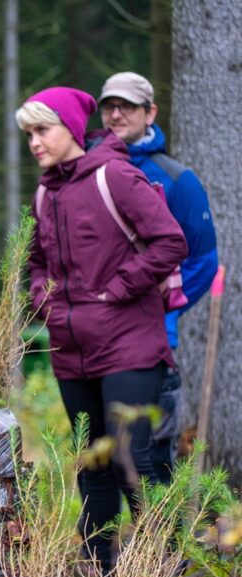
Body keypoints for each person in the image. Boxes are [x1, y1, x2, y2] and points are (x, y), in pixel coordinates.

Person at [16, 87, 187, 577]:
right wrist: (43, 296)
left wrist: (118, 288)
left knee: (133, 458)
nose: (34, 142)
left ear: (71, 128)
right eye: (28, 133)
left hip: (130, 344)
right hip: (71, 348)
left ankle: (164, 575)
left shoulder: (115, 175)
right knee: (92, 462)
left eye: (42, 130)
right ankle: (99, 576)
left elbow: (170, 241)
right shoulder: (46, 191)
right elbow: (37, 261)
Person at [97, 72, 219, 482]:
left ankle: (158, 528)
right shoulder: (86, 170)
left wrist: (160, 309)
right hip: (95, 340)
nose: (116, 115)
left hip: (151, 344)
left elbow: (203, 261)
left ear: (150, 113)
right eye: (109, 107)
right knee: (98, 454)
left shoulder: (177, 179)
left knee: (151, 456)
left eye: (127, 107)